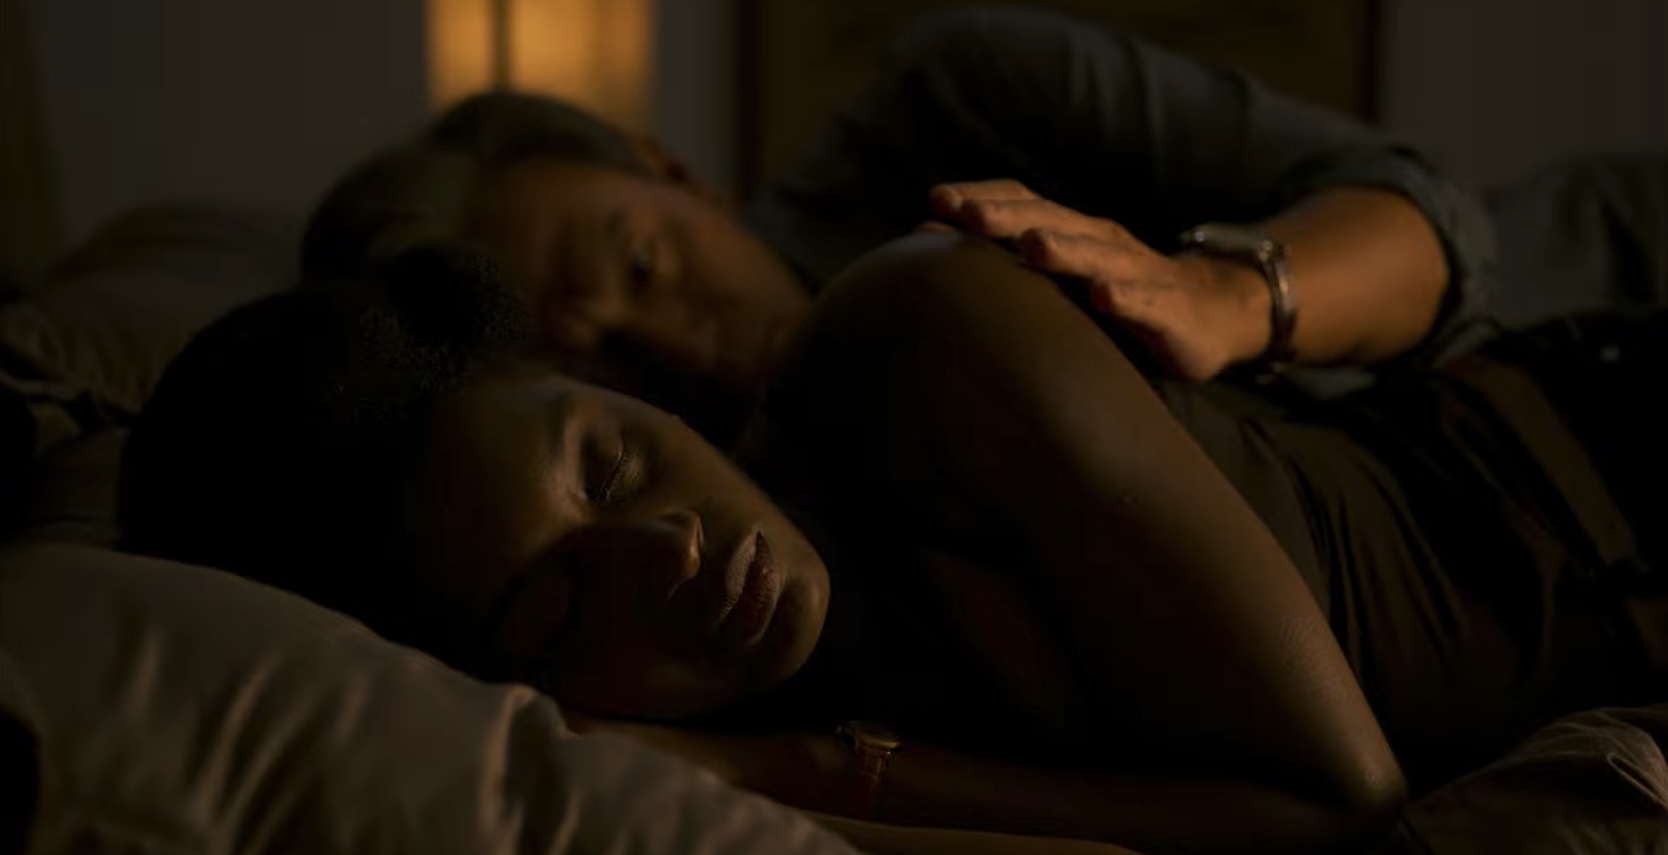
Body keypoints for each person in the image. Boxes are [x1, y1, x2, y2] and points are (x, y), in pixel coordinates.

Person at [118, 227, 1668, 855]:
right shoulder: (677, 789)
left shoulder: (912, 339)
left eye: (607, 461)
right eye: (555, 607)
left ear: (620, 392)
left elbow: (1342, 811)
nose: (664, 550)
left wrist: (798, 767)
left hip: (1603, 461)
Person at [303, 6, 1499, 446]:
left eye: (643, 263)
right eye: (599, 362)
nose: (669, 345)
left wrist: (1221, 297)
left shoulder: (960, 99)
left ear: (672, 172)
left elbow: (1434, 221)